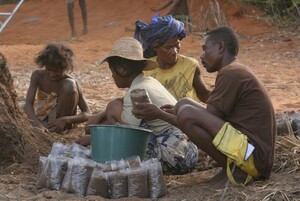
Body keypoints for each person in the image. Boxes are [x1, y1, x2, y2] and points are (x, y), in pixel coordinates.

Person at [132, 26, 276, 186]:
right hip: (251, 153)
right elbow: (211, 117)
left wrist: (161, 114)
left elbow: (205, 121)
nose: (201, 55)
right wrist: (175, 110)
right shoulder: (234, 70)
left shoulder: (230, 73)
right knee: (183, 103)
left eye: (205, 49)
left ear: (220, 47)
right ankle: (228, 168)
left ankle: (237, 170)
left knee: (186, 112)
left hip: (253, 158)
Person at [76, 37, 198, 174]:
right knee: (114, 107)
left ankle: (114, 158)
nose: (112, 76)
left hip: (173, 157)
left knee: (114, 108)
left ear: (122, 69)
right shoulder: (149, 81)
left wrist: (94, 139)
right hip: (189, 152)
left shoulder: (135, 91)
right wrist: (101, 117)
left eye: (112, 71)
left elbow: (128, 136)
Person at [134, 14, 211, 103]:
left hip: (186, 115)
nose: (175, 51)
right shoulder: (146, 69)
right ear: (155, 47)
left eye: (177, 45)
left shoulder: (190, 65)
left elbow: (204, 94)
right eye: (168, 47)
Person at [24, 43, 91, 134]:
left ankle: (59, 129)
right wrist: (37, 124)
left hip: (61, 121)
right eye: (49, 70)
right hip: (40, 115)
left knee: (69, 85)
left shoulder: (71, 82)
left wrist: (65, 120)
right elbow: (28, 103)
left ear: (65, 68)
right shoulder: (38, 75)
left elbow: (87, 113)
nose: (52, 74)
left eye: (57, 71)